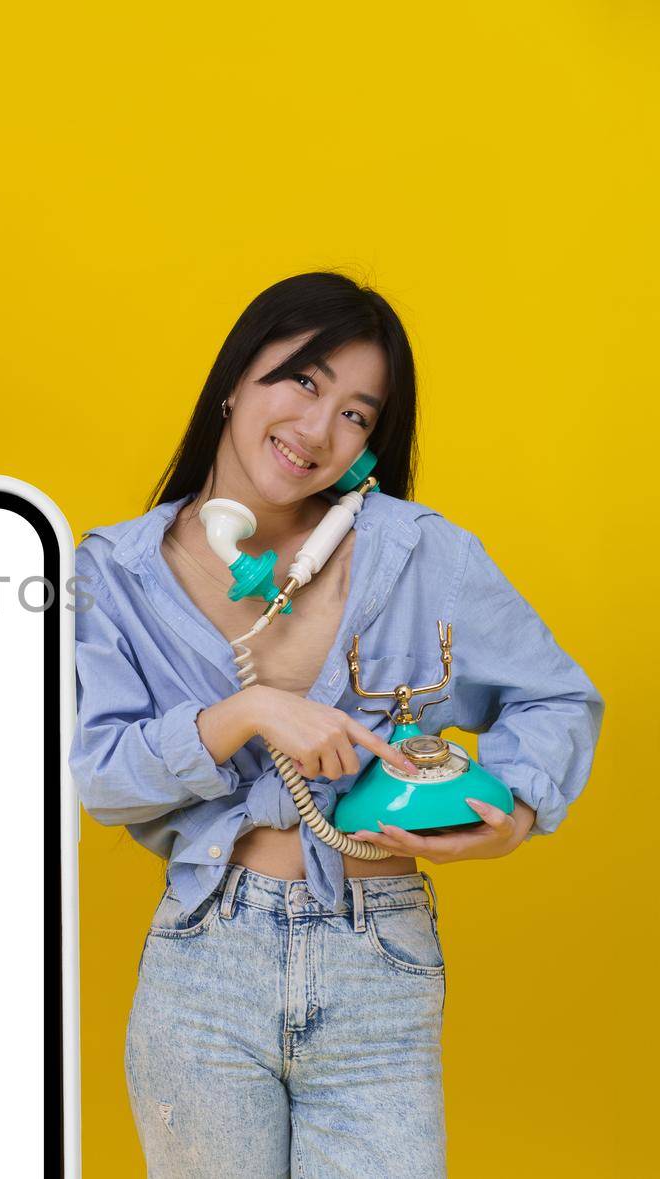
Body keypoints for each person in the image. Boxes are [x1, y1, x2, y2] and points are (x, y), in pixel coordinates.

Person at [69, 272, 601, 1177]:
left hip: (378, 946)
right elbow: (102, 774)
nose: (318, 429)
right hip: (206, 957)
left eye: (358, 414)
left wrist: (511, 812)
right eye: (304, 381)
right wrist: (244, 710)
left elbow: (556, 697)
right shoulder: (113, 572)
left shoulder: (420, 551)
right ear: (237, 377)